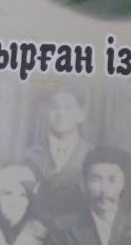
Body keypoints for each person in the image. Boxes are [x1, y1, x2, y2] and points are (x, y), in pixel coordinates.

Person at [25, 88, 92, 220]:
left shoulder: (92, 155)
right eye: (55, 107)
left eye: (68, 108)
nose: (61, 114)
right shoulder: (30, 155)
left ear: (81, 115)